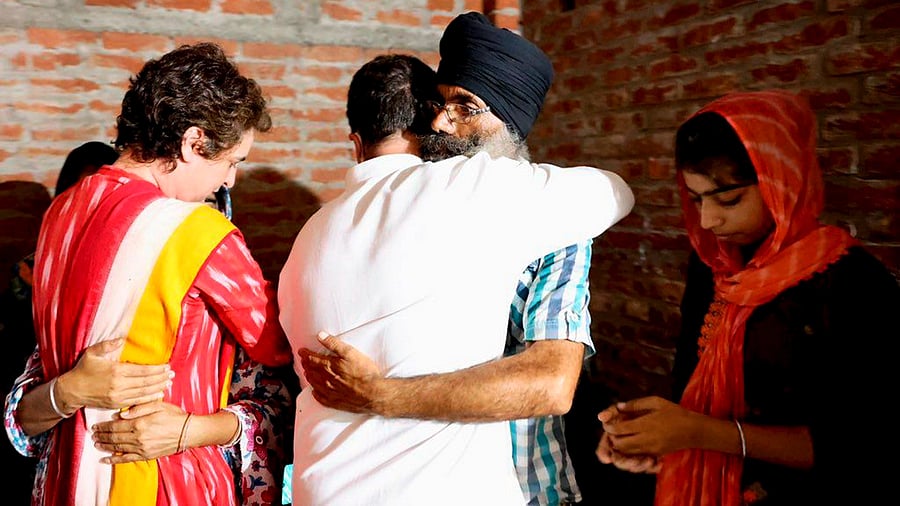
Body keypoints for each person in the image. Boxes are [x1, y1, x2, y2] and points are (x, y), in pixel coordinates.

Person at [278, 50, 633, 505]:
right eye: (441, 109)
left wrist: (382, 395)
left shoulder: (309, 235)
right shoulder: (467, 190)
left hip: (519, 482)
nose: (445, 123)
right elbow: (615, 190)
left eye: (464, 108)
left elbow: (550, 384)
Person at [6, 42, 291, 506]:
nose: (229, 181)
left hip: (64, 477)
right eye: (232, 161)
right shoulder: (197, 231)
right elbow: (275, 341)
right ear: (194, 142)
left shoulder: (61, 213)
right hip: (157, 477)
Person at [595, 90, 900, 505]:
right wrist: (651, 435)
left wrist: (697, 433)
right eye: (696, 199)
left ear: (782, 181)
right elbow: (691, 386)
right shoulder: (714, 267)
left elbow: (865, 442)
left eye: (729, 199)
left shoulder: (850, 282)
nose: (708, 219)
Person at [1, 140, 117, 506]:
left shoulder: (126, 263)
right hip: (39, 414)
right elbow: (16, 351)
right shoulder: (31, 269)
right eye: (81, 191)